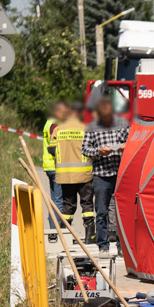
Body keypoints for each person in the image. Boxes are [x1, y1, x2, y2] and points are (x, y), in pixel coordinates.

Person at [82, 96, 130, 255]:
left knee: (121, 211)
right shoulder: (92, 127)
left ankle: (122, 247)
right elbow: (84, 149)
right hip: (101, 175)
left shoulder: (122, 124)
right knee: (101, 211)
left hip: (119, 174)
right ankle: (103, 246)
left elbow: (132, 141)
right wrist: (98, 151)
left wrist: (125, 145)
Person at [50, 101, 95, 243]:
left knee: (68, 206)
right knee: (87, 205)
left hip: (66, 175)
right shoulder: (86, 128)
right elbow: (93, 150)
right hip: (84, 174)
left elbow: (51, 150)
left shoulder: (59, 129)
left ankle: (66, 235)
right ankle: (89, 236)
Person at [42, 100, 69, 243]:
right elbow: (56, 146)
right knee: (58, 200)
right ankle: (54, 231)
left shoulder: (49, 122)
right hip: (55, 166)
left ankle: (54, 229)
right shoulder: (55, 125)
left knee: (55, 199)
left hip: (50, 166)